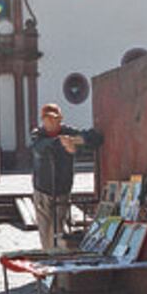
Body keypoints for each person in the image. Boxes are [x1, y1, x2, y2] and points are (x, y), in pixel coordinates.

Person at [30, 103, 100, 250]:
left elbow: (95, 137)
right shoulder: (38, 134)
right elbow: (38, 146)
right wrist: (60, 141)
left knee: (60, 231)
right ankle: (49, 258)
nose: (50, 122)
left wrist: (76, 141)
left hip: (63, 189)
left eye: (53, 119)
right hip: (42, 190)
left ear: (60, 119)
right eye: (47, 119)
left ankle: (59, 259)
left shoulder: (68, 131)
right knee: (45, 231)